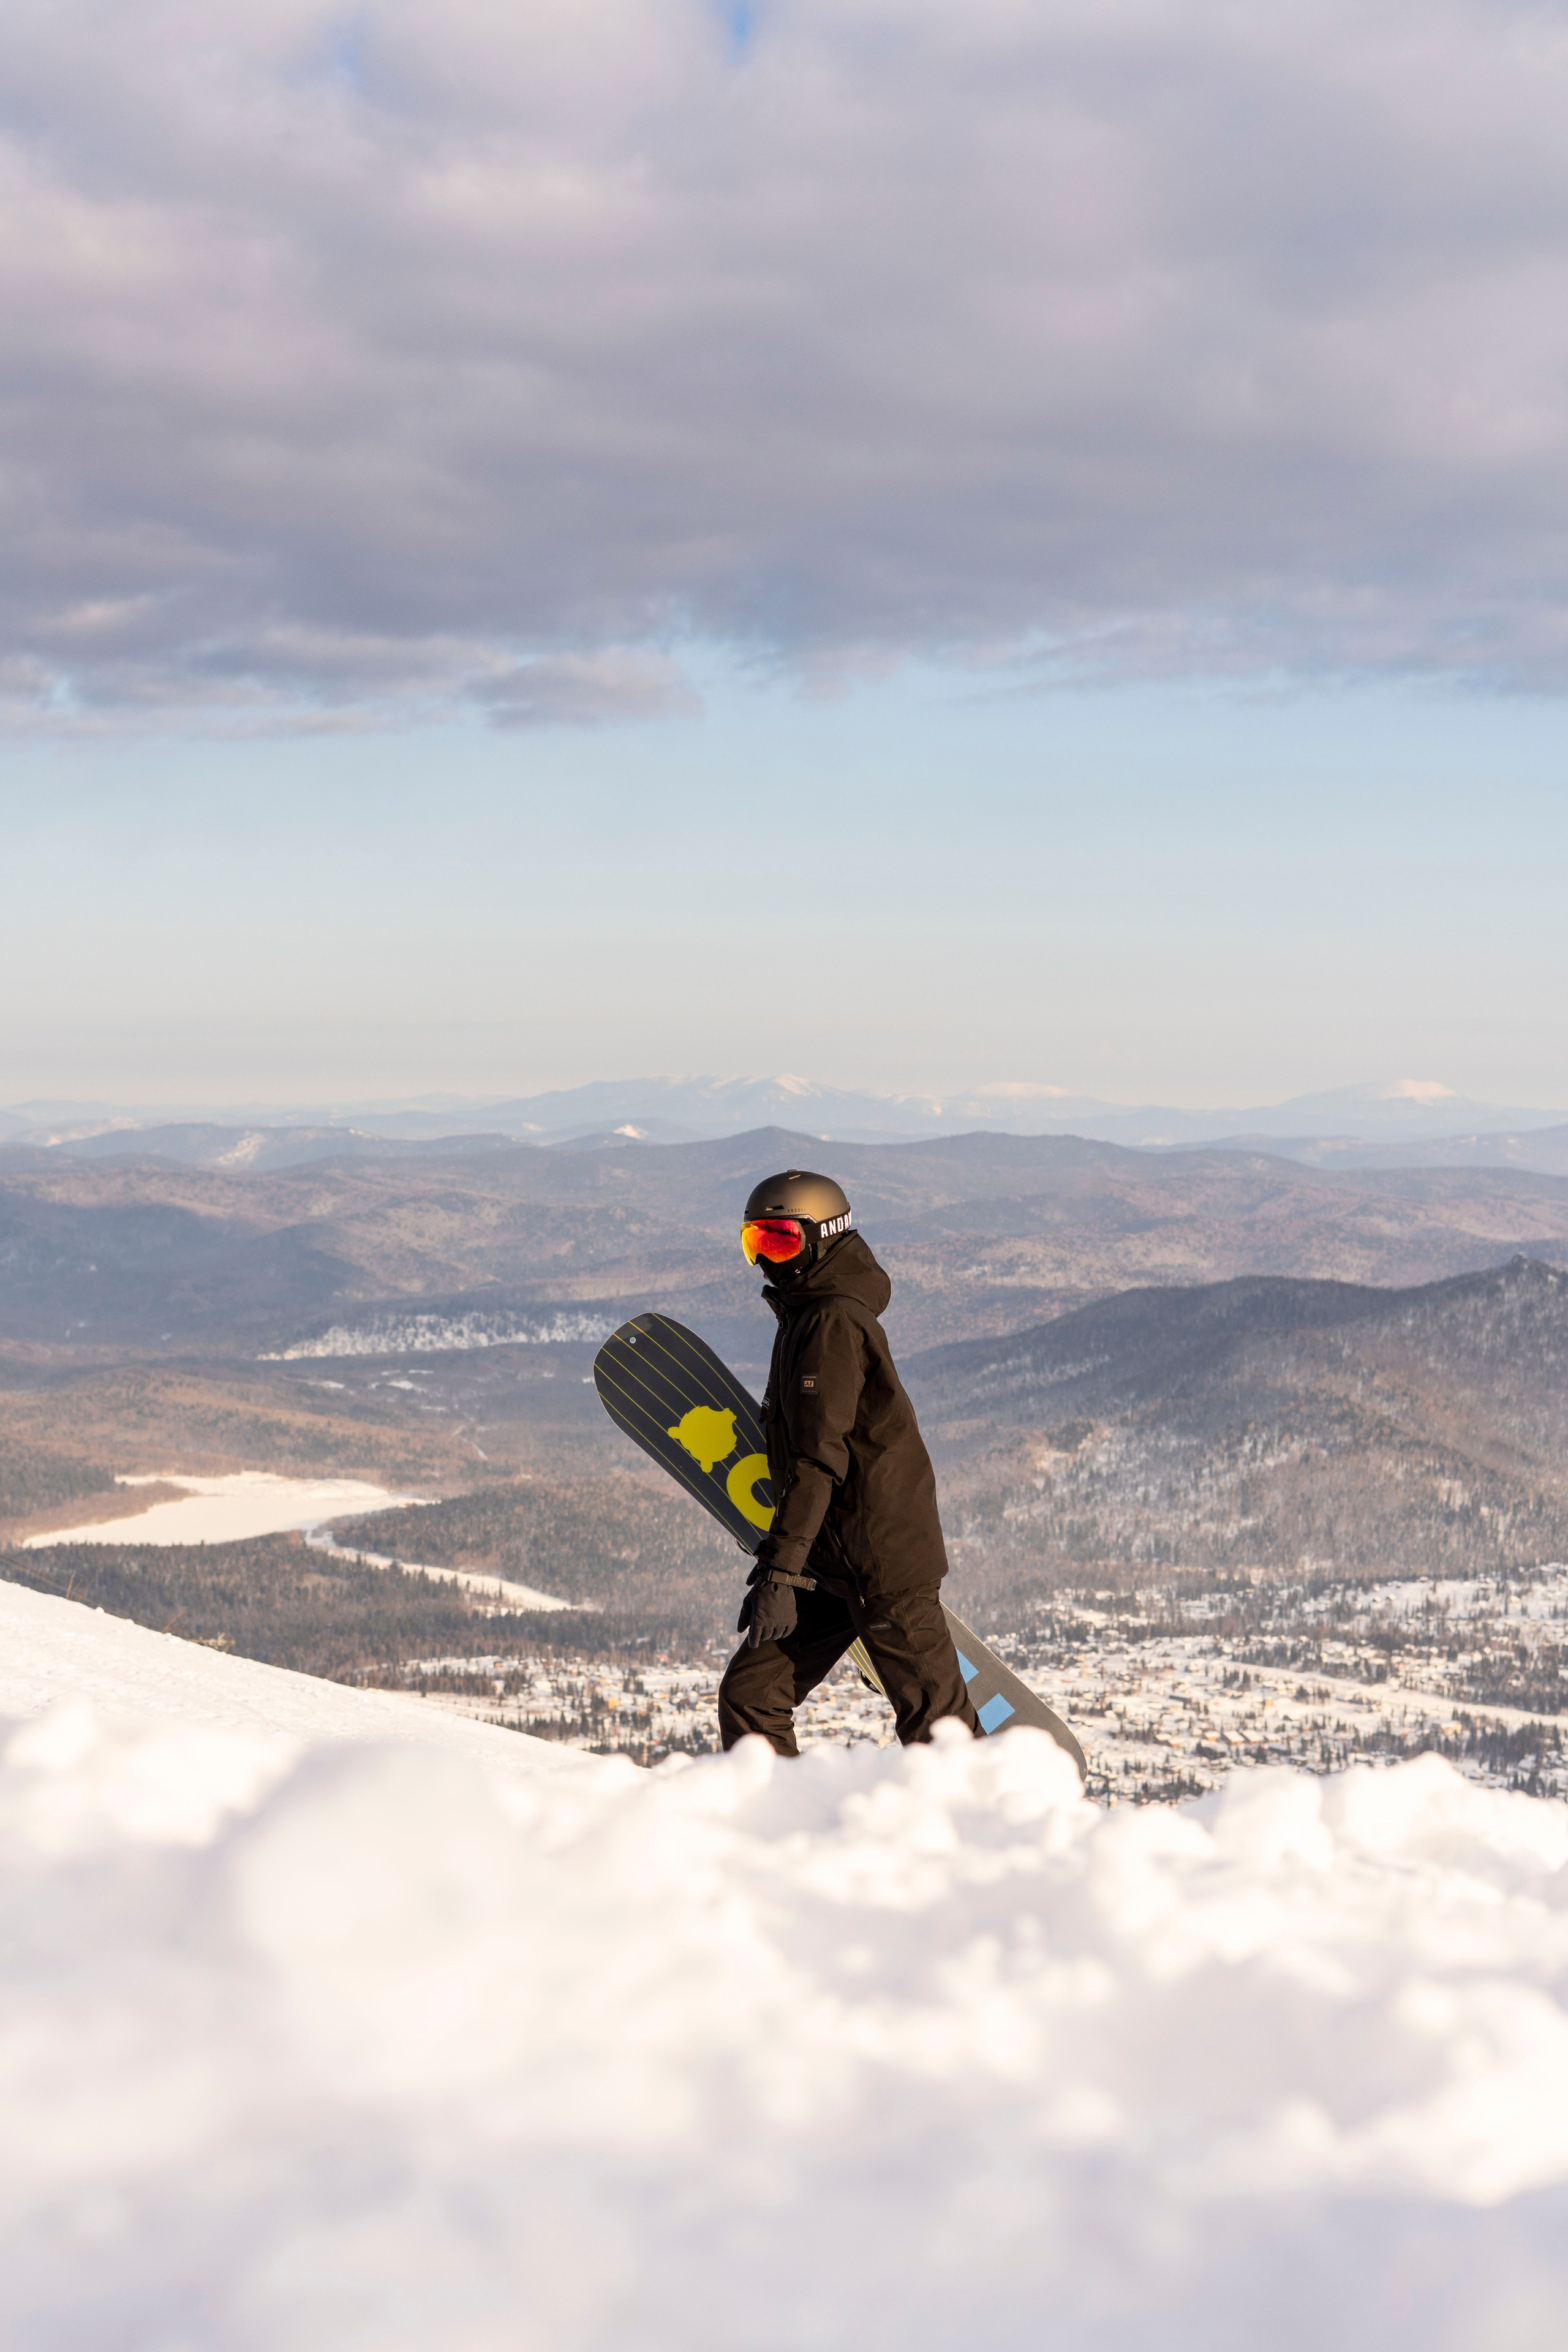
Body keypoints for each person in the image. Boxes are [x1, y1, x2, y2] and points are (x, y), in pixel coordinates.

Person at [717, 1168, 981, 1754]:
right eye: (754, 1243)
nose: (766, 1260)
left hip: (880, 1561)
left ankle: (985, 1830)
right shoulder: (804, 1312)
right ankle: (777, 1821)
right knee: (751, 1694)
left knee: (939, 1727)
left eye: (781, 1240)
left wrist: (781, 1575)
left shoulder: (831, 1321)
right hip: (833, 1558)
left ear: (823, 1236)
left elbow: (817, 1462)